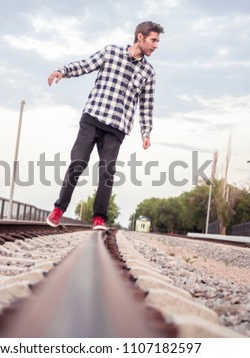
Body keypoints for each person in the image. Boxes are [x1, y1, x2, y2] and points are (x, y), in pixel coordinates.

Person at [46, 21, 164, 230]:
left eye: (157, 41)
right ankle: (58, 210)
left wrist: (145, 132)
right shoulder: (111, 52)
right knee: (78, 163)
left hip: (117, 127)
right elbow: (85, 65)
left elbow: (146, 105)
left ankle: (99, 218)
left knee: (107, 172)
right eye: (153, 40)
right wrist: (62, 71)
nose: (156, 45)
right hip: (93, 117)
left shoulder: (149, 73)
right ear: (140, 37)